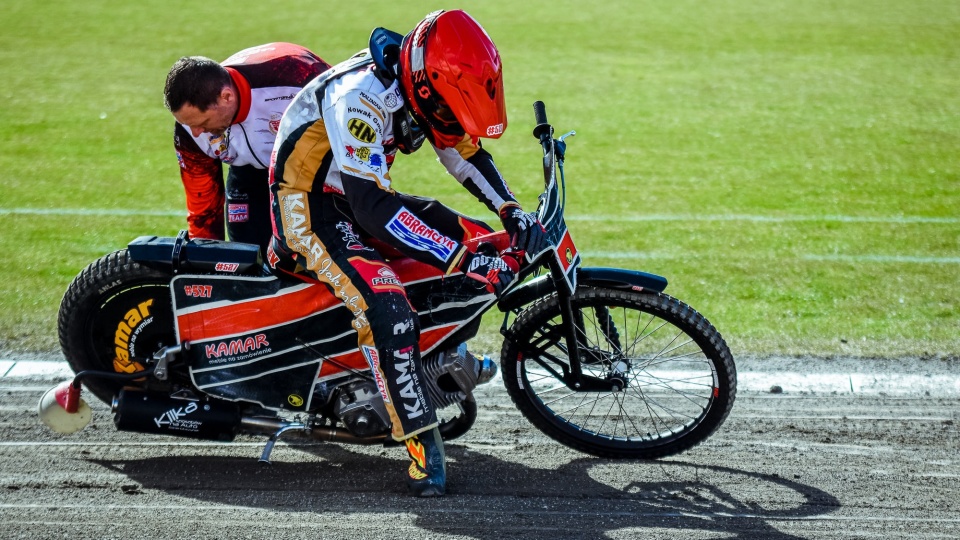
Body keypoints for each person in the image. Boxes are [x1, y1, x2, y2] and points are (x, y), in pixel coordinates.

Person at [267, 10, 546, 497]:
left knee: (479, 238)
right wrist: (458, 259)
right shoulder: (359, 98)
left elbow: (461, 148)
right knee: (386, 305)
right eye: (441, 110)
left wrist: (510, 210)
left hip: (354, 197)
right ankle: (420, 441)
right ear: (423, 83)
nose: (444, 121)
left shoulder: (421, 84)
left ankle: (439, 357)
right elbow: (373, 208)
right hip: (308, 208)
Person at [163, 43, 331, 257]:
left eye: (203, 122)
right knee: (247, 259)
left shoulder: (294, 78)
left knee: (319, 255)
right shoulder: (189, 127)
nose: (197, 132)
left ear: (226, 97)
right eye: (189, 125)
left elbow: (353, 135)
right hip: (248, 174)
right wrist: (204, 259)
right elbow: (203, 204)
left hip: (315, 173)